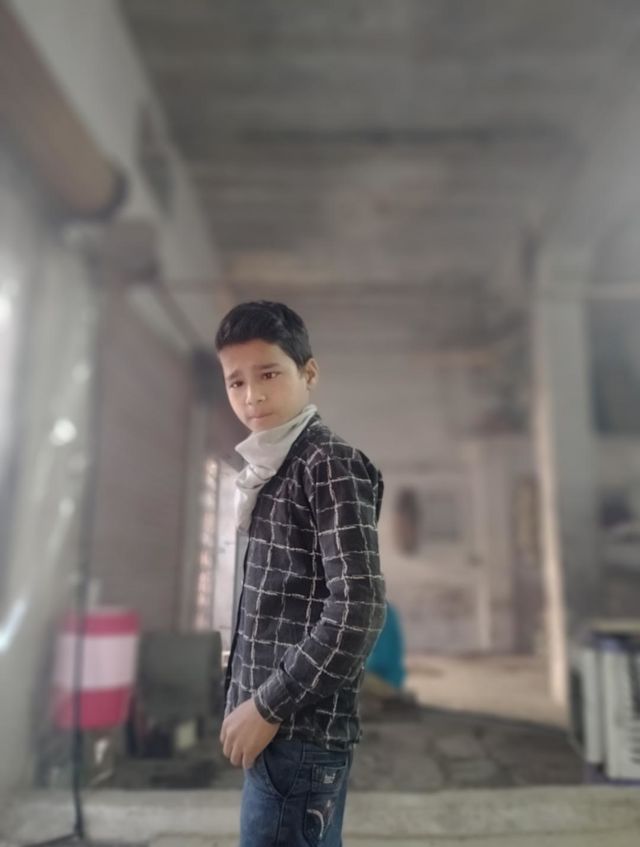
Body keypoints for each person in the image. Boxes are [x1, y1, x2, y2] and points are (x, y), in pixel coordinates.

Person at [215, 301, 386, 847]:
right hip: (276, 738)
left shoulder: (327, 464)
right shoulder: (273, 466)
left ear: (308, 373)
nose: (252, 395)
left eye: (268, 374)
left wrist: (266, 705)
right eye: (236, 381)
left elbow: (358, 609)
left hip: (298, 734)